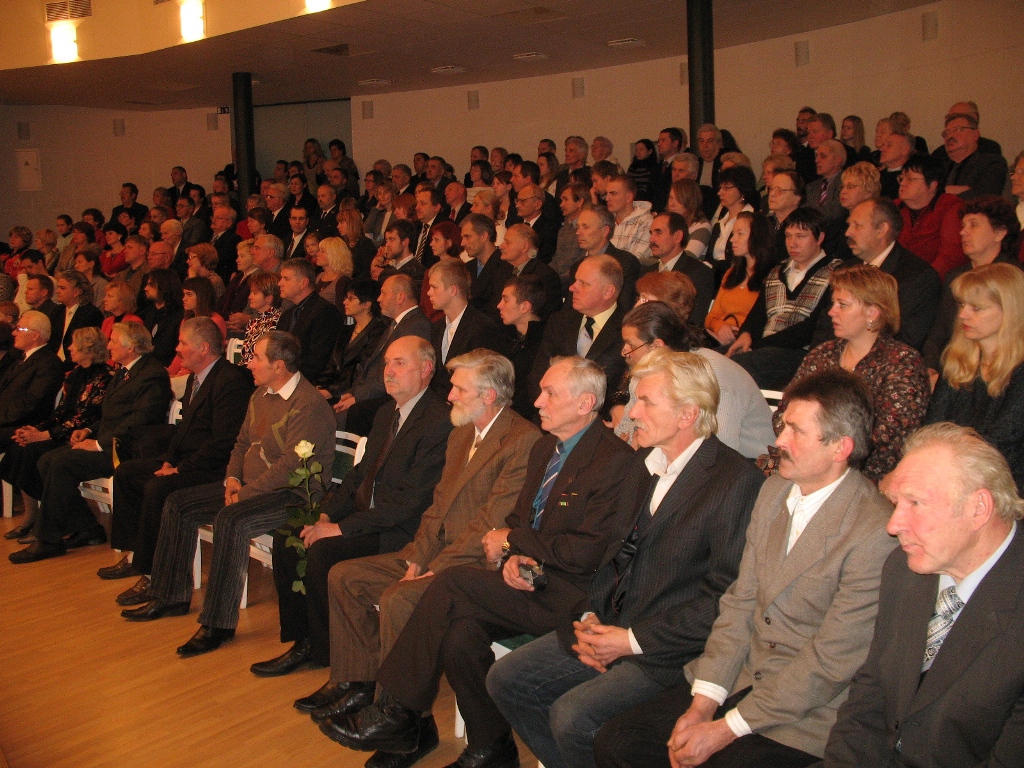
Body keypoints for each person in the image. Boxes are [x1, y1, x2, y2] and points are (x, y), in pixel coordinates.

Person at [320, 357, 634, 768]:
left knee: (451, 584)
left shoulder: (614, 460)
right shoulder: (546, 447)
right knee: (460, 636)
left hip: (573, 596)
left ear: (585, 403)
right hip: (528, 578)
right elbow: (519, 519)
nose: (537, 401)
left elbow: (585, 553)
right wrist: (513, 554)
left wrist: (513, 542)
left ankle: (398, 711)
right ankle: (491, 748)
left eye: (549, 393)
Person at [593, 368, 897, 768]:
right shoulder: (774, 491)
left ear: (840, 447)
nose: (779, 441)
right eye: (783, 426)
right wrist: (703, 704)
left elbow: (828, 663)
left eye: (796, 431)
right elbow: (739, 605)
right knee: (618, 742)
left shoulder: (874, 532)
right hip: (740, 676)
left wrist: (725, 728)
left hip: (806, 713)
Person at [489, 349, 764, 768]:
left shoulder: (735, 481)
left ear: (688, 414)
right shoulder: (641, 464)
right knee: (507, 679)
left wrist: (630, 640)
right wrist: (590, 618)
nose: (632, 413)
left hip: (670, 650)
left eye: (647, 402)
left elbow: (723, 600)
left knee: (573, 717)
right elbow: (612, 558)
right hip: (611, 625)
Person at [294, 350, 540, 732]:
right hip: (435, 552)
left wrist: (434, 568)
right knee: (344, 577)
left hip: (474, 564)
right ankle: (357, 682)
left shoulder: (522, 441)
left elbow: (489, 524)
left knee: (399, 598)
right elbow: (437, 506)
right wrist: (418, 557)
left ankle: (403, 718)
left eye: (459, 389)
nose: (450, 396)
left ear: (489, 395)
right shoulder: (462, 433)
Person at [120, 331, 336, 657]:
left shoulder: (308, 405)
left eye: (256, 358)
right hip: (251, 485)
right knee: (178, 503)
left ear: (278, 366)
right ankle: (170, 595)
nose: (248, 364)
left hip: (293, 494)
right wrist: (232, 478)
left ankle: (217, 624)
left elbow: (292, 467)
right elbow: (242, 442)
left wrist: (245, 493)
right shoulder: (260, 394)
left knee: (231, 519)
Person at [825, 423, 1024, 767]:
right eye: (896, 503)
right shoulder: (903, 569)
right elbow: (870, 695)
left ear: (979, 508)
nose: (893, 525)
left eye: (915, 503)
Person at [253, 336, 453, 677]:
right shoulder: (387, 413)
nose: (389, 371)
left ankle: (327, 649)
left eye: (399, 363)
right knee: (291, 537)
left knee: (322, 551)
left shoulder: (439, 422)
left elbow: (409, 502)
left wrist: (340, 528)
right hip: (367, 516)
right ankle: (304, 641)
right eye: (386, 363)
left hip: (398, 530)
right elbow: (359, 475)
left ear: (426, 370)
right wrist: (326, 513)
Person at [102, 318, 254, 599]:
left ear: (203, 348)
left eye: (183, 343)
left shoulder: (229, 382)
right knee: (127, 473)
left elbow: (224, 442)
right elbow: (183, 430)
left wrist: (181, 468)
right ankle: (135, 554)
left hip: (213, 468)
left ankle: (152, 573)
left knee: (157, 487)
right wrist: (169, 461)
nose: (177, 348)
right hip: (188, 460)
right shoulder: (197, 377)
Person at [10, 321, 172, 563]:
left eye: (113, 341)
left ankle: (48, 540)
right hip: (110, 441)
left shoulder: (152, 374)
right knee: (46, 460)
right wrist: (87, 430)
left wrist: (97, 443)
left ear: (131, 347)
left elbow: (140, 420)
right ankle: (87, 527)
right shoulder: (124, 370)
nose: (109, 346)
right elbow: (110, 415)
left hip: (128, 449)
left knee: (62, 462)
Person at [779, 265, 930, 483]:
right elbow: (785, 411)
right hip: (806, 462)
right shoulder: (823, 354)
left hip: (869, 479)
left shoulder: (902, 362)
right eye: (833, 303)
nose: (832, 311)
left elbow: (891, 436)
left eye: (843, 305)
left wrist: (821, 450)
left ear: (872, 313)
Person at [0, 327, 111, 541]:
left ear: (88, 349)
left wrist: (45, 435)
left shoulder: (104, 377)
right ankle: (43, 517)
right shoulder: (75, 375)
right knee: (21, 448)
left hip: (82, 435)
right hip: (65, 431)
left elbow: (85, 419)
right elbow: (60, 412)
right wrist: (36, 429)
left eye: (74, 344)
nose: (69, 348)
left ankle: (49, 520)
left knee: (35, 455)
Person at [926, 263, 1024, 490]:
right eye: (961, 305)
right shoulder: (957, 360)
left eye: (976, 308)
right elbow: (932, 427)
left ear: (1010, 312)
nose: (962, 315)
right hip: (954, 475)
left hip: (1007, 485)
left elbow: (999, 441)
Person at [728, 207, 842, 389]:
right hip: (763, 348)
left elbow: (813, 327)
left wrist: (758, 345)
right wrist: (746, 334)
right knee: (707, 358)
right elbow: (758, 313)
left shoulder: (836, 273)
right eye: (788, 236)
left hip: (799, 352)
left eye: (800, 236)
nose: (792, 244)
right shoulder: (777, 271)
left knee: (737, 367)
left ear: (820, 238)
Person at [921, 195, 1022, 377]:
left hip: (999, 370)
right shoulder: (955, 276)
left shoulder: (1016, 279)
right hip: (953, 367)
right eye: (963, 225)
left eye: (973, 225)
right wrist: (930, 368)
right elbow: (939, 331)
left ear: (999, 233)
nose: (963, 232)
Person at [705, 211, 775, 347]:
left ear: (757, 237)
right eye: (733, 233)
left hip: (746, 342)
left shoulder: (772, 276)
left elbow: (764, 322)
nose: (732, 239)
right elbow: (711, 316)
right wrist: (720, 327)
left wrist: (736, 333)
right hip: (717, 337)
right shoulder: (732, 273)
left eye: (740, 233)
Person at [315, 279, 391, 403]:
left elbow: (362, 370)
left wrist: (331, 392)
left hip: (352, 393)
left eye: (350, 298)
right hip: (334, 389)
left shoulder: (379, 332)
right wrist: (320, 385)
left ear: (367, 303)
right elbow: (331, 364)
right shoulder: (346, 331)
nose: (344, 302)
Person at [895, 153, 966, 279]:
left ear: (933, 185)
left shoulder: (950, 207)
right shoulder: (895, 207)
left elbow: (951, 257)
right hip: (895, 279)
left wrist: (922, 281)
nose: (903, 183)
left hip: (933, 281)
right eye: (901, 178)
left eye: (910, 179)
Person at [275, 257, 345, 382]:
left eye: (286, 279)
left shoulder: (325, 312)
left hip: (309, 382)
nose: (280, 283)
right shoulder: (287, 315)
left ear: (303, 283)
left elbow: (318, 360)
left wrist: (286, 381)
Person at [141, 269, 184, 367]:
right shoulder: (149, 313)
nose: (146, 288)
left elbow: (170, 348)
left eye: (151, 284)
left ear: (164, 286)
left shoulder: (179, 315)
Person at [239, 272, 282, 365]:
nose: (250, 297)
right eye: (251, 292)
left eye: (255, 293)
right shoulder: (255, 321)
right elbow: (246, 357)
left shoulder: (276, 322)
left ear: (269, 298)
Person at [666, 179, 712, 261]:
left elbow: (686, 259)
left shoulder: (702, 226)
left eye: (678, 199)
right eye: (671, 198)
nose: (671, 204)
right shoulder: (667, 223)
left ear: (690, 201)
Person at [314, 236, 354, 311]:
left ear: (334, 255)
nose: (317, 254)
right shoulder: (319, 276)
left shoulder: (342, 281)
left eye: (322, 251)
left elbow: (341, 310)